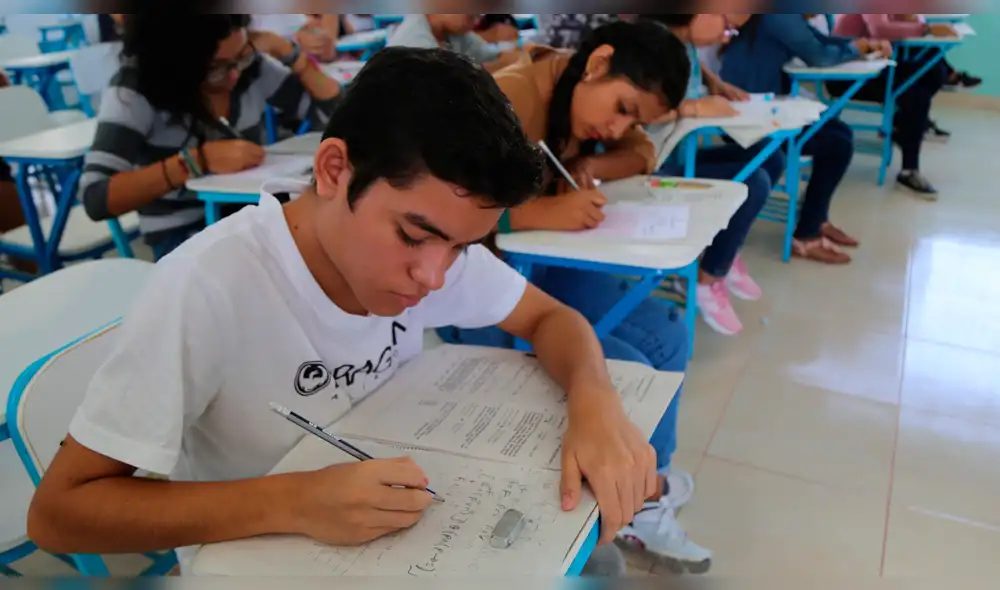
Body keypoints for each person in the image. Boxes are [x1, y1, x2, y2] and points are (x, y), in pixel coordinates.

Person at [27, 47, 660, 577]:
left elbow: (551, 319)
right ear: (334, 169)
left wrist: (594, 401)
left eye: (461, 247)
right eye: (413, 237)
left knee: (594, 560)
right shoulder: (208, 287)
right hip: (268, 560)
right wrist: (293, 500)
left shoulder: (434, 243)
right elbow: (59, 513)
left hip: (402, 535)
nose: (433, 277)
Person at [437, 21, 712, 573]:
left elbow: (640, 152)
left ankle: (642, 489)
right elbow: (440, 200)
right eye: (622, 106)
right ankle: (630, 494)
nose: (616, 124)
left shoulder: (579, 94)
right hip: (479, 281)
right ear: (599, 62)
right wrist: (533, 212)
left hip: (540, 264)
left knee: (667, 332)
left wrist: (591, 164)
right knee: (627, 367)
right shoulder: (510, 94)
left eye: (632, 116)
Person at [78, 13, 341, 259]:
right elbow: (96, 197)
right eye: (216, 68)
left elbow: (338, 117)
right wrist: (194, 162)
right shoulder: (135, 88)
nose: (235, 74)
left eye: (242, 55)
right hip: (185, 237)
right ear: (175, 61)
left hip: (254, 218)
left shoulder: (247, 67)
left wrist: (293, 56)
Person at [645, 14, 787, 337]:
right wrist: (692, 108)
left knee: (770, 157)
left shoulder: (685, 45)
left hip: (679, 157)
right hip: (654, 171)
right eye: (726, 25)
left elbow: (694, 70)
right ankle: (708, 278)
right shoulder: (651, 47)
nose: (727, 37)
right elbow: (637, 111)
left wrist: (716, 84)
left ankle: (723, 251)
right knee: (753, 182)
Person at [720, 14, 887, 264]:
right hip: (750, 118)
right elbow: (819, 55)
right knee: (837, 143)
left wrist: (862, 44)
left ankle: (817, 219)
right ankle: (806, 235)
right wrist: (858, 47)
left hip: (763, 108)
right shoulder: (778, 15)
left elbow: (820, 40)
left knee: (838, 132)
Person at [831, 14, 951, 197]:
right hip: (847, 73)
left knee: (935, 72)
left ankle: (902, 127)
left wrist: (914, 20)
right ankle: (908, 170)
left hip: (872, 64)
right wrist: (926, 29)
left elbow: (912, 19)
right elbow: (880, 29)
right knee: (916, 96)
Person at [386, 14, 524, 72]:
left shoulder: (454, 33)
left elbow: (491, 56)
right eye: (471, 14)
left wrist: (525, 53)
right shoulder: (414, 45)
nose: (476, 22)